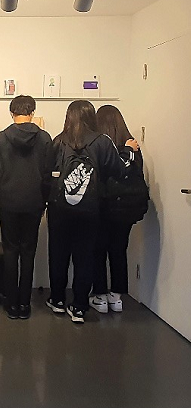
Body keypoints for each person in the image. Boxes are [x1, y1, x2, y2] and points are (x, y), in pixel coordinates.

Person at [46, 100, 138, 324]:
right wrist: (128, 151)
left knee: (58, 255)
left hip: (59, 209)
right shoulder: (102, 141)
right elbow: (118, 170)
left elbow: (47, 173)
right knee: (84, 257)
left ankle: (57, 300)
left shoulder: (58, 141)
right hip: (90, 209)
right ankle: (79, 307)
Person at [0, 95, 52, 319]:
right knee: (28, 251)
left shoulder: (1, 138)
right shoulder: (44, 138)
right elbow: (48, 174)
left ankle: (11, 304)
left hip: (8, 202)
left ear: (12, 113)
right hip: (34, 202)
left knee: (10, 251)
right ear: (32, 112)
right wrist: (44, 200)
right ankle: (25, 304)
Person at [89, 105, 145, 313]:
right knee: (119, 250)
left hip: (104, 205)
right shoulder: (132, 146)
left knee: (98, 250)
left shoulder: (100, 146)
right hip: (126, 208)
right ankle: (117, 296)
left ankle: (100, 295)